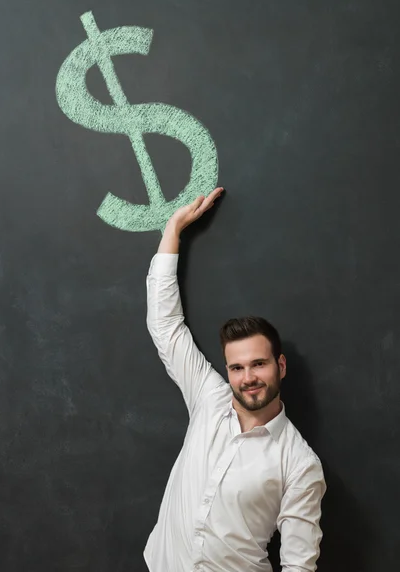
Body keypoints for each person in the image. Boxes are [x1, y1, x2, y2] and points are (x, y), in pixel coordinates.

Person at [143, 188, 326, 572]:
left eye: (258, 364)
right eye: (237, 368)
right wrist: (172, 229)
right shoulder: (209, 398)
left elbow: (298, 565)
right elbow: (166, 326)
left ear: (281, 366)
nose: (248, 379)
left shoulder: (299, 463)